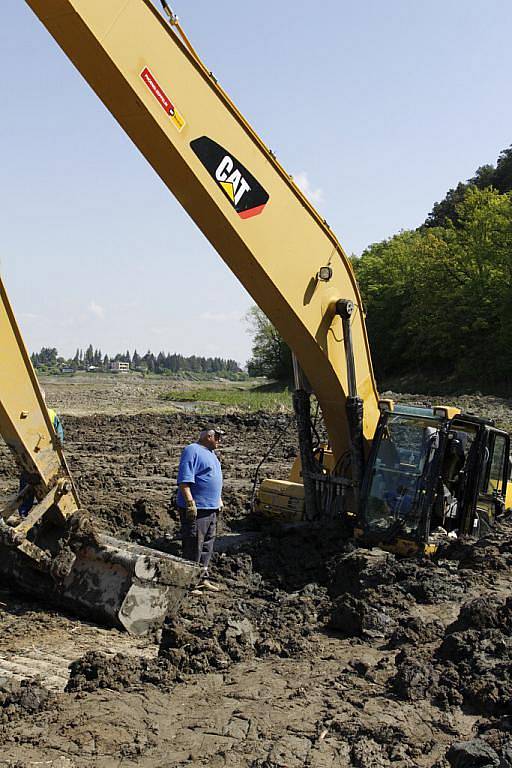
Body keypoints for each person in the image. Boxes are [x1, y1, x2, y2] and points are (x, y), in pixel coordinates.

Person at [177, 426, 225, 593]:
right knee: (194, 545)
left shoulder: (212, 455)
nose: (219, 440)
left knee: (206, 546)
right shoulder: (192, 451)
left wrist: (218, 500)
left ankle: (201, 578)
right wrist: (190, 503)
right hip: (198, 509)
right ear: (208, 436)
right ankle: (188, 583)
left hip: (211, 508)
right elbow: (184, 480)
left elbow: (214, 480)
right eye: (217, 437)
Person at [19, 389, 64, 517]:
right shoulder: (51, 414)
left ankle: (23, 514)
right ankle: (49, 514)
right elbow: (60, 437)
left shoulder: (27, 414)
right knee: (48, 486)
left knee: (27, 484)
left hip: (30, 457)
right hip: (47, 457)